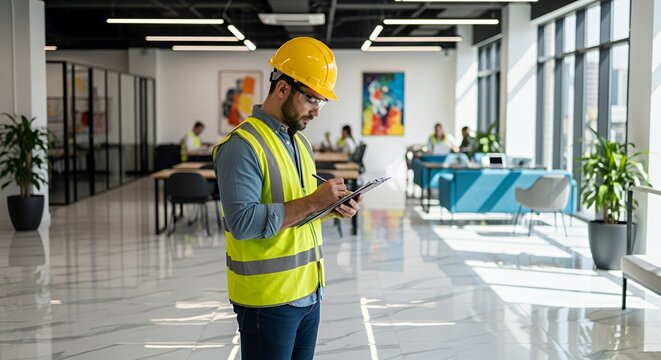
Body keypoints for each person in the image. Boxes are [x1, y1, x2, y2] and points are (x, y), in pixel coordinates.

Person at [213, 37, 361, 360]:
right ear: (282, 89)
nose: (317, 112)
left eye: (322, 102)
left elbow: (298, 212)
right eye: (311, 100)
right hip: (268, 302)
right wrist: (313, 202)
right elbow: (243, 223)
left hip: (309, 292)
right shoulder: (242, 146)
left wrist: (330, 209)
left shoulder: (300, 144)